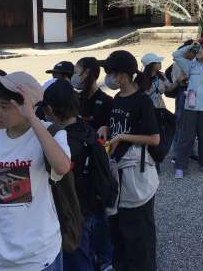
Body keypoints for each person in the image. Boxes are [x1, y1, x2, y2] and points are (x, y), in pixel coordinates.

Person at [0, 72, 71, 271]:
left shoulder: (50, 132)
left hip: (38, 254)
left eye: (4, 106)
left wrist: (32, 119)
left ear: (28, 105)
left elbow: (62, 166)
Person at [97, 50, 160, 271]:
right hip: (118, 169)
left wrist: (122, 137)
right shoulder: (117, 98)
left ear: (122, 75)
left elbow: (154, 138)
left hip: (136, 173)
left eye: (111, 73)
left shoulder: (142, 101)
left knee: (139, 231)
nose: (108, 78)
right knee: (119, 228)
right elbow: (117, 126)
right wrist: (107, 128)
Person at [42, 79, 102, 271]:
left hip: (74, 211)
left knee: (76, 258)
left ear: (50, 110)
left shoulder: (62, 141)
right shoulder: (85, 128)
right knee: (86, 252)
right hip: (92, 203)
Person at [71, 56, 114, 271]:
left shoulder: (106, 101)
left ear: (87, 73)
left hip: (97, 166)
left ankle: (105, 259)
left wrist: (106, 129)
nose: (74, 76)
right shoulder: (74, 100)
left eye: (76, 71)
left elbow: (112, 133)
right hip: (75, 166)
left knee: (99, 214)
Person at [173, 38, 203, 178]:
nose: (199, 50)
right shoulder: (190, 65)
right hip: (191, 106)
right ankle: (180, 166)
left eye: (202, 48)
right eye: (197, 48)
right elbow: (176, 56)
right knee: (186, 137)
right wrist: (189, 47)